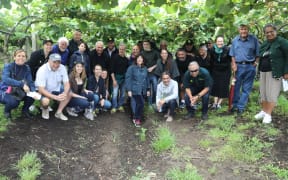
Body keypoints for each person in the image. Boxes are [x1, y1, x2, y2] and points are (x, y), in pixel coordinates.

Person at [254, 24, 288, 124]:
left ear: (275, 31)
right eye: (267, 32)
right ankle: (264, 111)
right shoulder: (265, 43)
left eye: (271, 31)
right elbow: (261, 56)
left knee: (271, 93)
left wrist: (286, 71)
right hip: (263, 71)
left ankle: (268, 115)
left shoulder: (282, 42)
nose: (269, 34)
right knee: (263, 93)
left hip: (275, 72)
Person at [229, 23, 260, 115]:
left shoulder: (254, 39)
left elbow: (258, 53)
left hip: (250, 66)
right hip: (238, 67)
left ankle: (241, 107)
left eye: (245, 29)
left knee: (246, 88)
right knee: (236, 87)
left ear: (248, 30)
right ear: (239, 30)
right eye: (242, 29)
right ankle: (234, 105)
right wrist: (233, 64)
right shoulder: (235, 40)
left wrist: (256, 63)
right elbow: (232, 54)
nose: (243, 31)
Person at [35, 53, 73, 120]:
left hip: (56, 88)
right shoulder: (42, 70)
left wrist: (65, 93)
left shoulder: (62, 67)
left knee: (69, 93)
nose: (56, 64)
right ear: (49, 61)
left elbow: (66, 83)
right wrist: (55, 97)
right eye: (54, 62)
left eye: (58, 62)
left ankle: (59, 112)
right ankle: (45, 109)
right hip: (44, 90)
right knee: (46, 101)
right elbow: (41, 89)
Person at [0, 49, 36, 119]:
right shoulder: (8, 66)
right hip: (5, 90)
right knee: (14, 102)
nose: (21, 58)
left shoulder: (27, 68)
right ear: (14, 57)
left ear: (26, 58)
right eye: (19, 56)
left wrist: (33, 91)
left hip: (17, 91)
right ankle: (7, 111)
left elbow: (30, 81)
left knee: (32, 95)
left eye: (23, 56)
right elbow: (5, 79)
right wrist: (22, 84)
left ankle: (25, 111)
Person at [125, 55, 150, 127]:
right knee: (137, 103)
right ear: (136, 60)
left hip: (142, 90)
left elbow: (147, 79)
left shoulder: (145, 68)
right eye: (138, 58)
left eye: (141, 58)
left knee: (140, 104)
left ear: (143, 60)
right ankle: (136, 118)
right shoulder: (131, 68)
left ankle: (136, 117)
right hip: (134, 89)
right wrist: (129, 90)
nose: (140, 59)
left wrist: (148, 89)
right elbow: (128, 79)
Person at [210, 35, 232, 109]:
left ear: (223, 42)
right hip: (215, 70)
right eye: (218, 41)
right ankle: (215, 103)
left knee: (224, 86)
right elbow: (211, 60)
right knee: (215, 86)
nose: (220, 43)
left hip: (225, 71)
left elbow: (231, 60)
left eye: (221, 41)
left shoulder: (227, 49)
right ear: (216, 42)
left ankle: (219, 103)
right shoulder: (212, 50)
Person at [110, 43, 129, 113]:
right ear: (118, 49)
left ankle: (120, 105)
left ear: (125, 50)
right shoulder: (114, 57)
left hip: (123, 79)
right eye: (120, 49)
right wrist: (114, 80)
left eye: (123, 49)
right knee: (115, 93)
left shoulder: (126, 60)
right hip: (116, 78)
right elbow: (111, 70)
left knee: (123, 93)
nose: (121, 50)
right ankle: (114, 106)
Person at [141, 39, 160, 106]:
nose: (145, 46)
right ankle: (149, 104)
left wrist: (152, 67)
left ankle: (154, 102)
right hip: (145, 74)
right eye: (144, 44)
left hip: (154, 74)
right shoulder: (142, 53)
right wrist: (145, 69)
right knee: (147, 89)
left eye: (146, 44)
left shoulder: (155, 52)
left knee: (155, 88)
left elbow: (159, 62)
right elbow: (140, 62)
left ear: (149, 45)